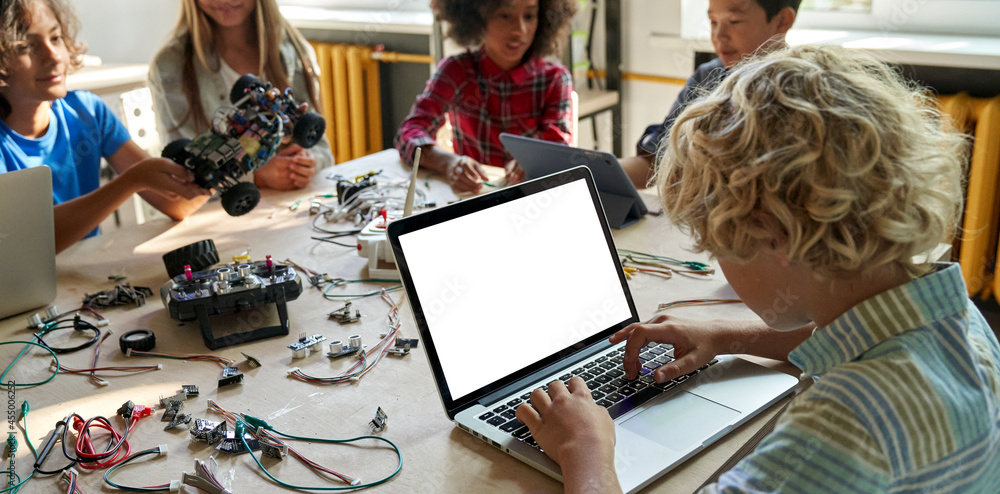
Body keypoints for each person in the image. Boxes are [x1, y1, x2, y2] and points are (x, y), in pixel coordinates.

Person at [517, 44, 1000, 493]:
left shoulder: (834, 435)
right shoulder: (959, 324)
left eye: (717, 245)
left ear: (774, 235)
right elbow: (864, 334)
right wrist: (728, 335)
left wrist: (586, 453)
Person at [0, 0, 209, 254]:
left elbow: (176, 204)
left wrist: (231, 158)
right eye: (28, 46)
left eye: (55, 38)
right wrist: (130, 182)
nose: (53, 55)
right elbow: (27, 245)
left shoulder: (88, 113)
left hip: (89, 278)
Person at [148, 0, 333, 191]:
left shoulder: (292, 51)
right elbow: (179, 175)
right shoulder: (171, 67)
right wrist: (255, 175)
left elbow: (321, 148)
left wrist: (306, 164)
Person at [394, 0, 576, 194]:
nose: (520, 30)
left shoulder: (555, 79)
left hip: (531, 202)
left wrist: (534, 162)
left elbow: (559, 151)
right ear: (478, 18)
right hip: (473, 199)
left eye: (530, 16)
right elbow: (409, 133)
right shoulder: (457, 72)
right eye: (505, 15)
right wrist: (449, 163)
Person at [620, 0, 798, 188]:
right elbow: (659, 162)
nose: (718, 36)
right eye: (713, 22)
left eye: (734, 21)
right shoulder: (706, 79)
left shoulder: (804, 91)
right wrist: (593, 168)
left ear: (782, 21)